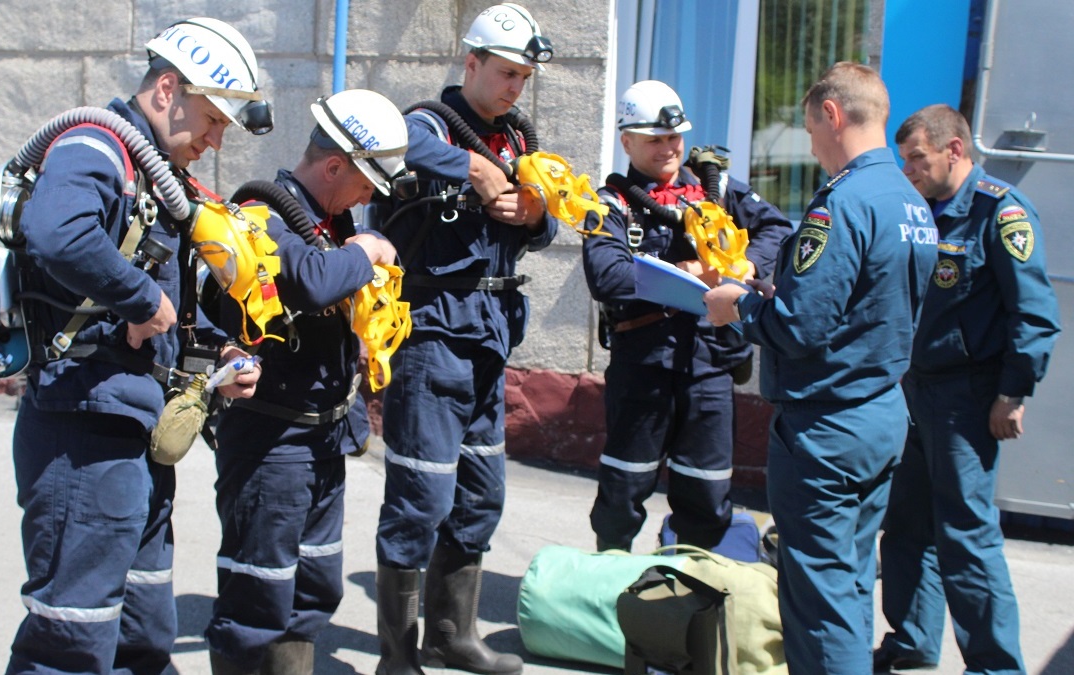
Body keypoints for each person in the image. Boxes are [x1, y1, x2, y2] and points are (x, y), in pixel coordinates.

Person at [7, 18, 269, 675]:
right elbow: (58, 234)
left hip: (132, 432)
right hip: (81, 428)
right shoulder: (96, 146)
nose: (213, 143)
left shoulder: (154, 183)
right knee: (71, 635)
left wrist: (225, 354)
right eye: (210, 121)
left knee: (143, 628)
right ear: (166, 90)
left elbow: (168, 315)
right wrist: (142, 298)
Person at [703, 62, 937, 674]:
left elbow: (800, 327)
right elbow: (871, 302)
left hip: (828, 426)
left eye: (809, 130)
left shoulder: (844, 202)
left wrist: (740, 307)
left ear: (833, 115)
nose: (810, 144)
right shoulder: (910, 199)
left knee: (818, 602)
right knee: (852, 583)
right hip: (882, 412)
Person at [371, 4, 559, 674]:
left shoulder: (517, 141)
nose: (514, 87)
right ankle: (397, 656)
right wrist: (470, 169)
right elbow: (381, 141)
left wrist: (536, 214)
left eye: (524, 77)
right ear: (471, 63)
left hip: (488, 340)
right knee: (420, 496)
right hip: (431, 337)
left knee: (480, 494)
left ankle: (451, 632)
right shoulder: (427, 123)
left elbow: (548, 219)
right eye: (505, 72)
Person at [203, 89, 409, 675]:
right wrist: (367, 250)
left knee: (314, 587)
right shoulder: (260, 215)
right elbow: (311, 282)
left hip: (324, 438)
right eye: (367, 181)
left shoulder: (333, 223)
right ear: (335, 165)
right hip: (272, 443)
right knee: (258, 595)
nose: (371, 196)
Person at [873, 104, 1060, 674]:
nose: (909, 171)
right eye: (903, 160)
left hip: (967, 399)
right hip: (912, 391)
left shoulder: (999, 213)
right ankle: (910, 644)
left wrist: (1013, 392)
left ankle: (995, 665)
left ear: (954, 150)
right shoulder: (918, 212)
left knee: (966, 537)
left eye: (917, 159)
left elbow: (1034, 312)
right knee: (905, 528)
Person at [581, 80, 791, 553]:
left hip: (711, 366)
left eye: (674, 138)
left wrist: (742, 268)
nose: (668, 148)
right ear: (627, 142)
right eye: (654, 139)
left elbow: (775, 228)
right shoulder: (609, 203)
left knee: (706, 493)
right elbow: (608, 276)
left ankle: (686, 606)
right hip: (644, 366)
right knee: (623, 493)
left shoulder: (713, 191)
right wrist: (694, 271)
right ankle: (611, 592)